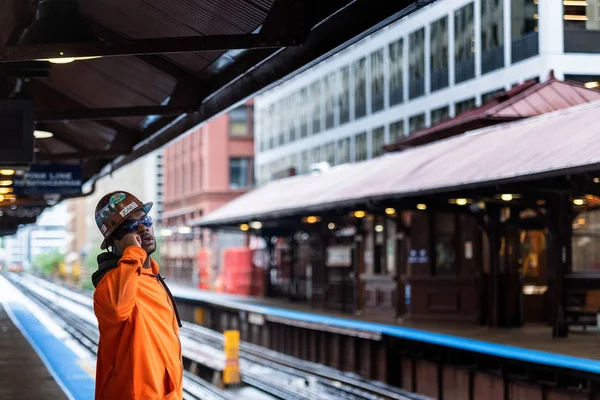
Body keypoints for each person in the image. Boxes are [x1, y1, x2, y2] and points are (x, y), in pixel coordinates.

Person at [91, 191, 183, 400]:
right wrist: (133, 253)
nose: (143, 228)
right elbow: (117, 309)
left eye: (145, 219)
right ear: (116, 241)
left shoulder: (153, 279)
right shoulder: (110, 284)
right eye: (130, 227)